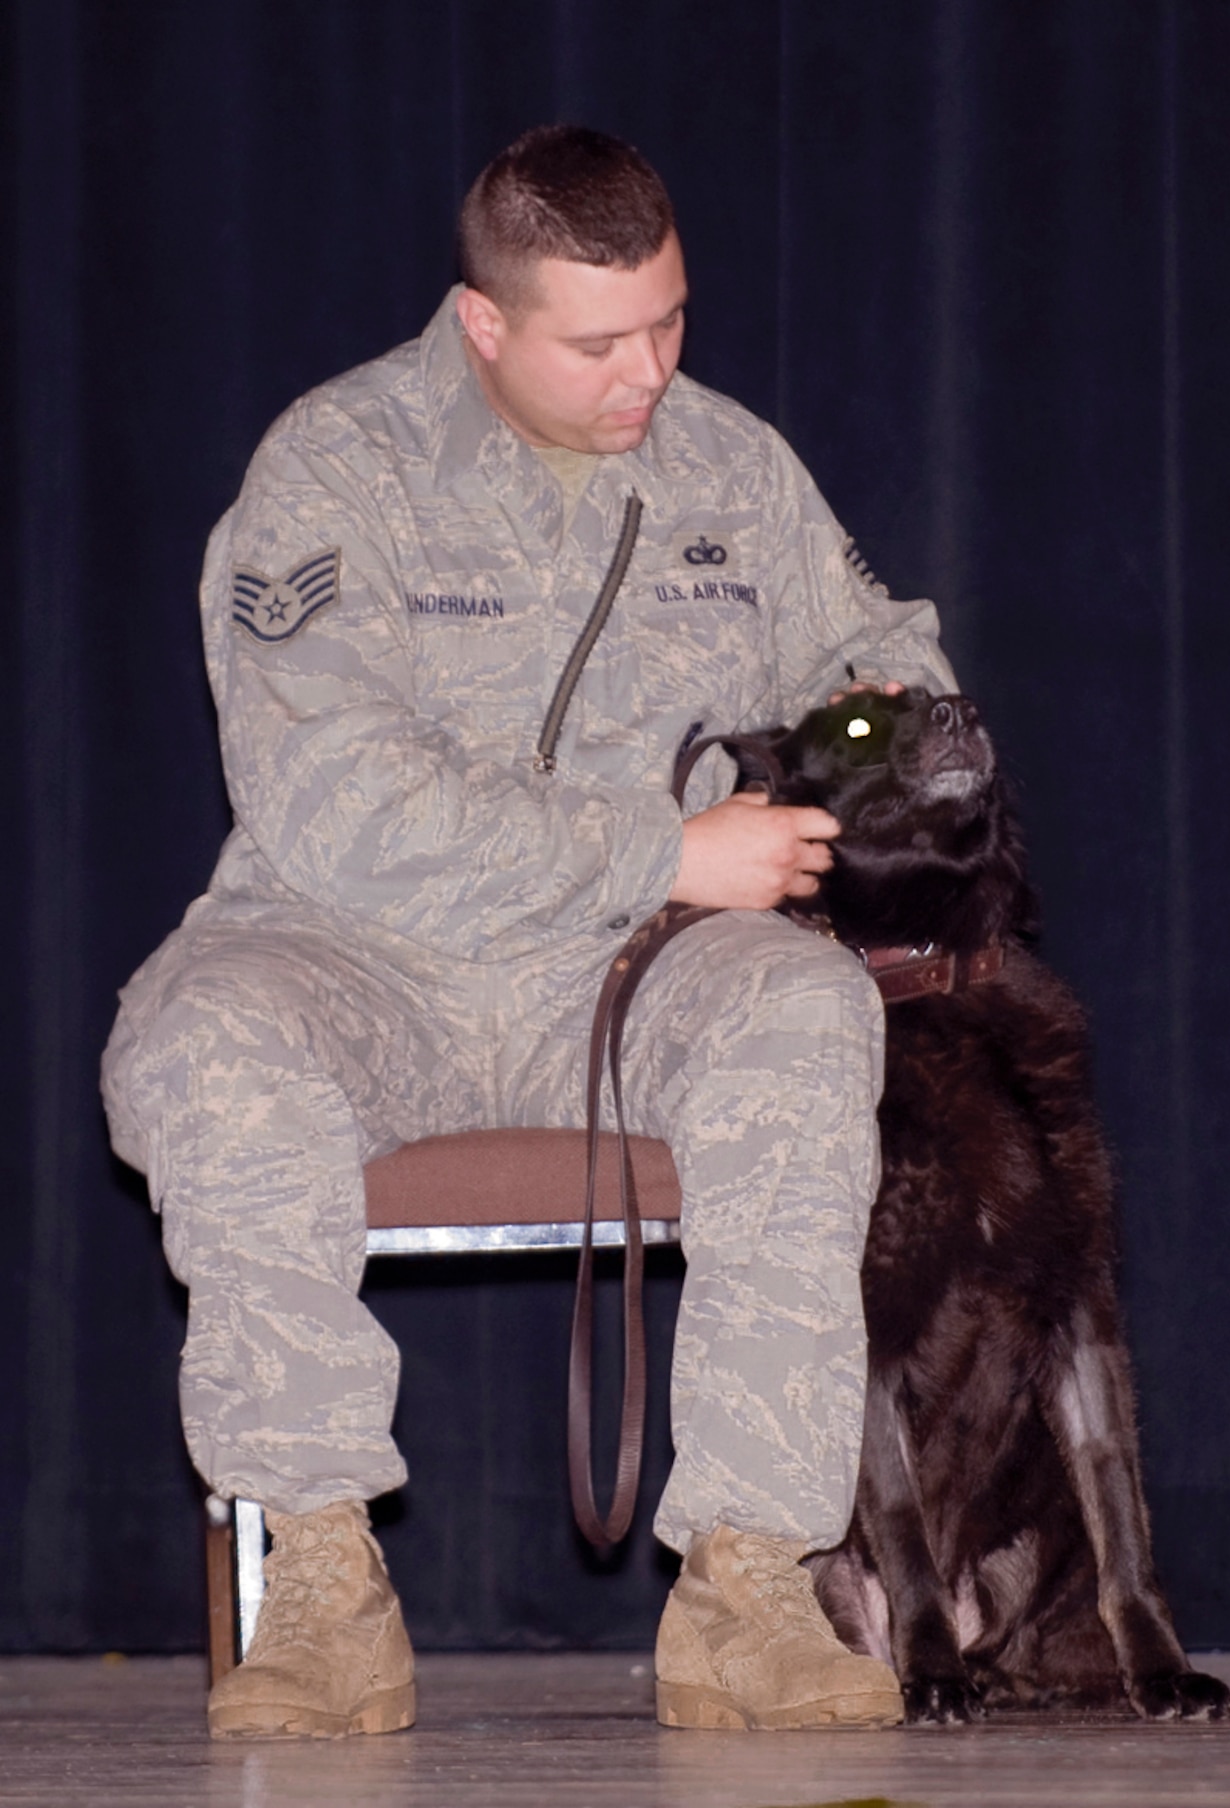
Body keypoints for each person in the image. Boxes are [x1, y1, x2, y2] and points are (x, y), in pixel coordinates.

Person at [102, 125, 954, 1740]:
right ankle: (324, 1586)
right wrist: (664, 842)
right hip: (363, 954)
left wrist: (878, 718)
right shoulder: (336, 463)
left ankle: (752, 1586)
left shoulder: (727, 466)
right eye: (597, 342)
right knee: (205, 1044)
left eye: (670, 320)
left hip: (641, 967)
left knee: (803, 1014)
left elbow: (878, 643)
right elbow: (335, 803)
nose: (647, 372)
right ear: (484, 323)